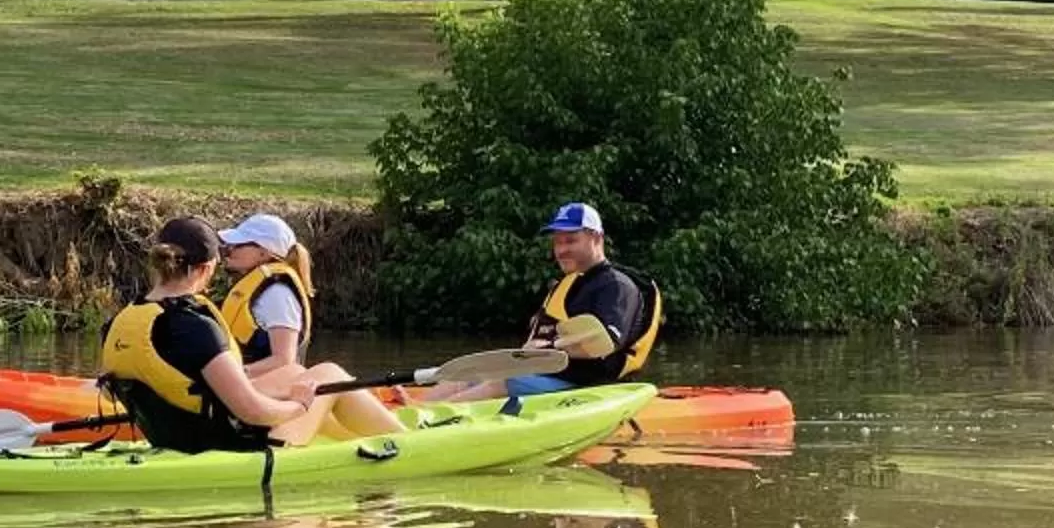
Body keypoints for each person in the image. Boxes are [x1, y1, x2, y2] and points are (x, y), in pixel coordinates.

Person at [98, 217, 401, 452]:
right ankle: (404, 441)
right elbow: (252, 412)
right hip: (241, 447)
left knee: (296, 371)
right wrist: (300, 405)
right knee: (330, 374)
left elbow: (112, 391)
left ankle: (354, 432)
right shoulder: (197, 327)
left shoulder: (119, 322)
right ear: (204, 269)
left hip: (174, 439)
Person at [443, 202, 663, 399]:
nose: (561, 250)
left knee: (504, 381)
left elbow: (606, 344)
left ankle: (428, 425)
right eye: (557, 242)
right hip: (550, 376)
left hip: (590, 389)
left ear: (596, 238)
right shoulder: (569, 285)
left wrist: (546, 348)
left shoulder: (617, 286)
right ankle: (416, 410)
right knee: (468, 375)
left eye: (570, 241)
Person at [214, 212, 316, 377]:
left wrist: (230, 376)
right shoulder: (255, 287)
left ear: (264, 252)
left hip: (269, 390)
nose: (229, 250)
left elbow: (284, 360)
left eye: (238, 244)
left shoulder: (277, 293)